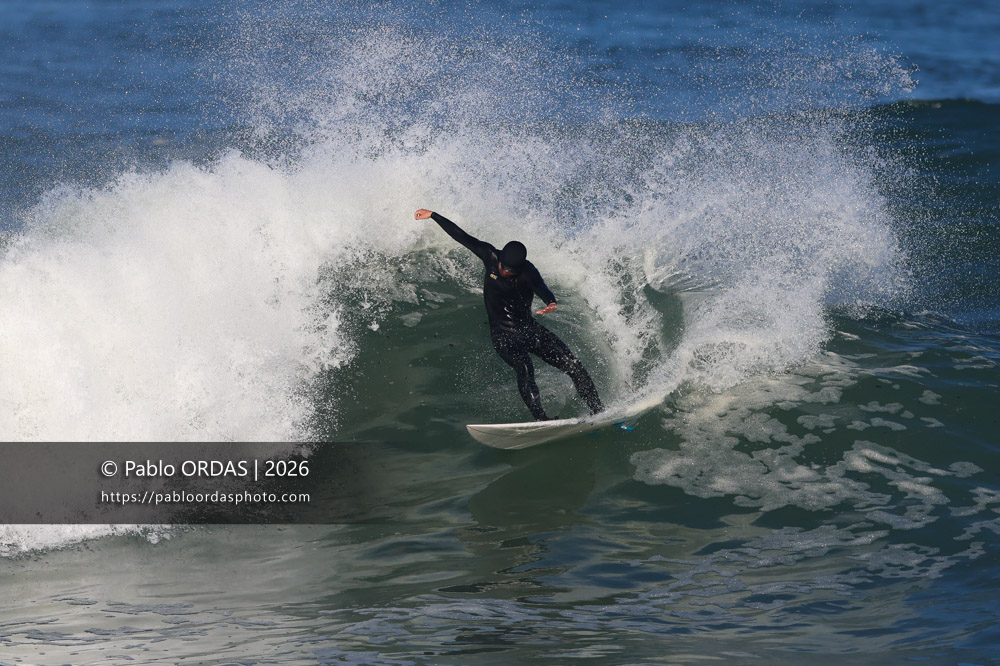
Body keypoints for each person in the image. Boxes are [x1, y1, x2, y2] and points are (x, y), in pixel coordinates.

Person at [414, 208, 603, 421]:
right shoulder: (490, 255)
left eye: (510, 271)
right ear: (500, 259)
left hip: (528, 329)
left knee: (573, 365)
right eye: (503, 267)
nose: (505, 272)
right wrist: (434, 215)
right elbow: (462, 236)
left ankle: (598, 411)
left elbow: (542, 288)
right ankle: (541, 418)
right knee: (525, 367)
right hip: (503, 334)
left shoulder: (528, 272)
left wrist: (551, 301)